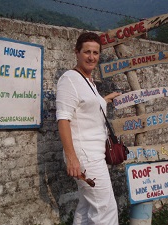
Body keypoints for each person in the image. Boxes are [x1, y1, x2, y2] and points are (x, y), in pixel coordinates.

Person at [56, 32, 121, 225]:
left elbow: (88, 106)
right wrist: (71, 158)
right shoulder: (70, 79)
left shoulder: (88, 81)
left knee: (86, 208)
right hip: (86, 156)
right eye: (87, 52)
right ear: (77, 52)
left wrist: (106, 99)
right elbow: (63, 119)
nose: (92, 57)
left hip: (93, 154)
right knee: (106, 210)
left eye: (95, 52)